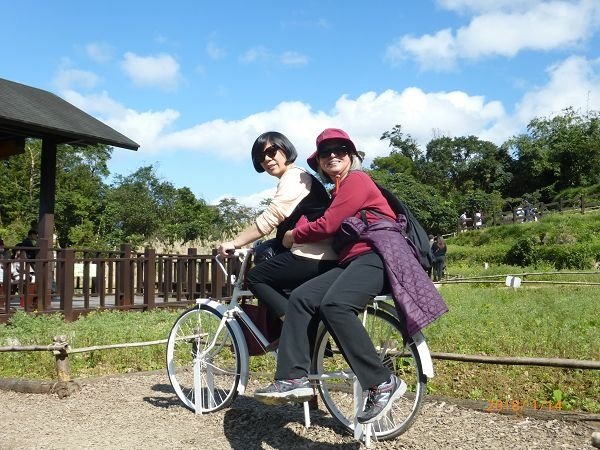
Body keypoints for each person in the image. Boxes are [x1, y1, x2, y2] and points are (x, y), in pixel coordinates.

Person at [254, 128, 448, 424]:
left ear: (351, 156)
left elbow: (329, 224)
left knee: (335, 305)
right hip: (352, 261)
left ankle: (382, 381)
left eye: (339, 150)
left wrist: (294, 235)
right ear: (318, 161)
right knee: (303, 298)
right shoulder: (337, 190)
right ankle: (294, 378)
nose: (332, 155)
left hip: (377, 255)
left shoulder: (357, 181)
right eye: (325, 152)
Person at [218, 131, 337, 321]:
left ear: (285, 149)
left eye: (272, 151)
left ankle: (294, 328)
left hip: (312, 253)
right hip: (318, 252)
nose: (267, 159)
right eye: (260, 157)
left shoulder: (295, 177)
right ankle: (312, 342)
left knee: (256, 278)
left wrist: (235, 242)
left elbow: (270, 218)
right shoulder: (295, 177)